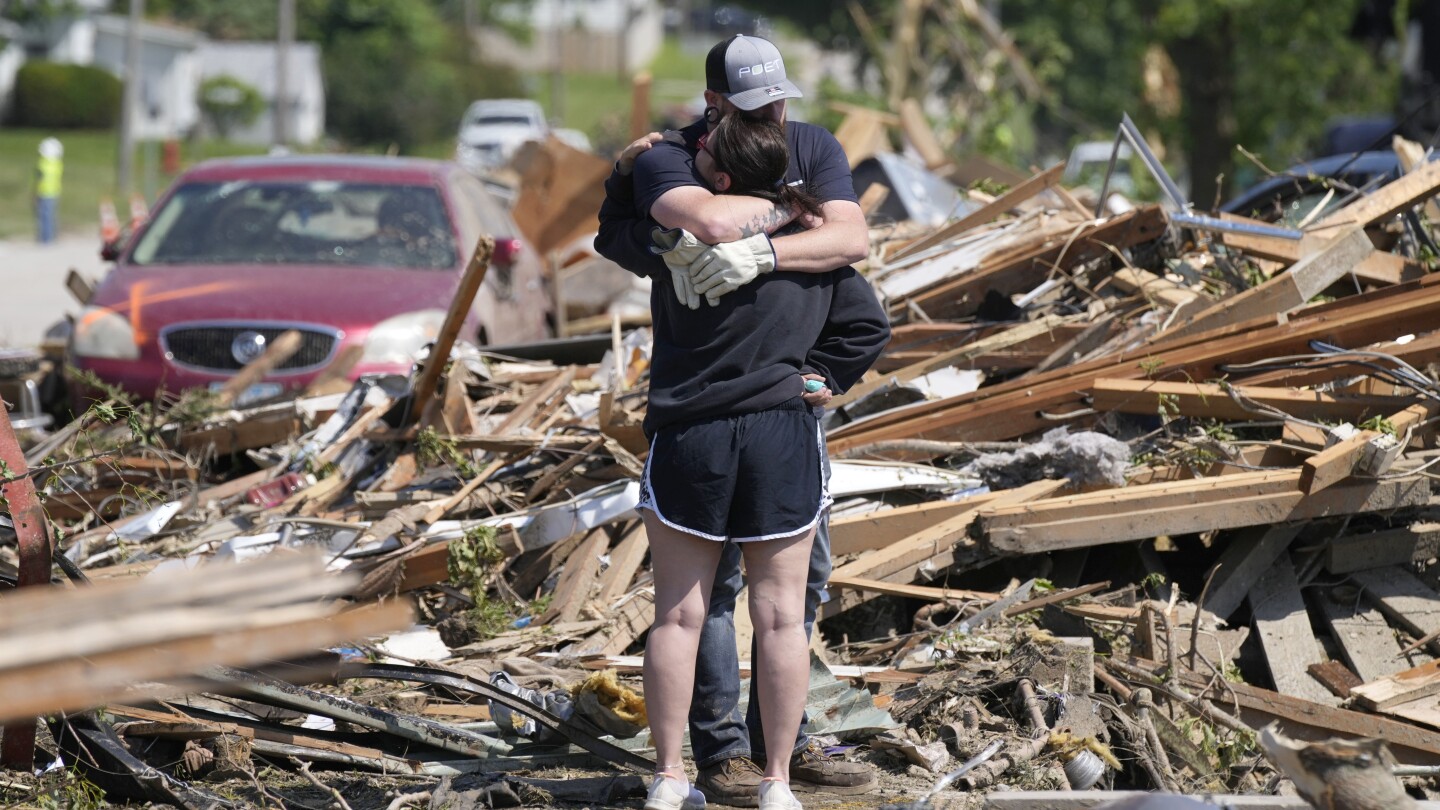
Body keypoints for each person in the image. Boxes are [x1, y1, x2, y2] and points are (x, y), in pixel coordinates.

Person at [595, 34, 887, 809]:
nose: (776, 116)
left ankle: (678, 774)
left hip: (701, 425)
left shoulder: (806, 149)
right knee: (761, 612)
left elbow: (845, 242)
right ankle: (752, 768)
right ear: (715, 104)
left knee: (691, 611)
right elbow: (713, 223)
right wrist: (795, 220)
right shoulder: (671, 157)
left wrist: (762, 250)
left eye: (779, 100)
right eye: (758, 105)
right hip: (775, 429)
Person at [34, 138, 63, 244]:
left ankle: (45, 238)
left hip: (44, 193)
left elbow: (39, 180)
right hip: (55, 192)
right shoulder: (58, 164)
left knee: (44, 217)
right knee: (52, 216)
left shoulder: (43, 164)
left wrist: (35, 193)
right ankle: (52, 237)